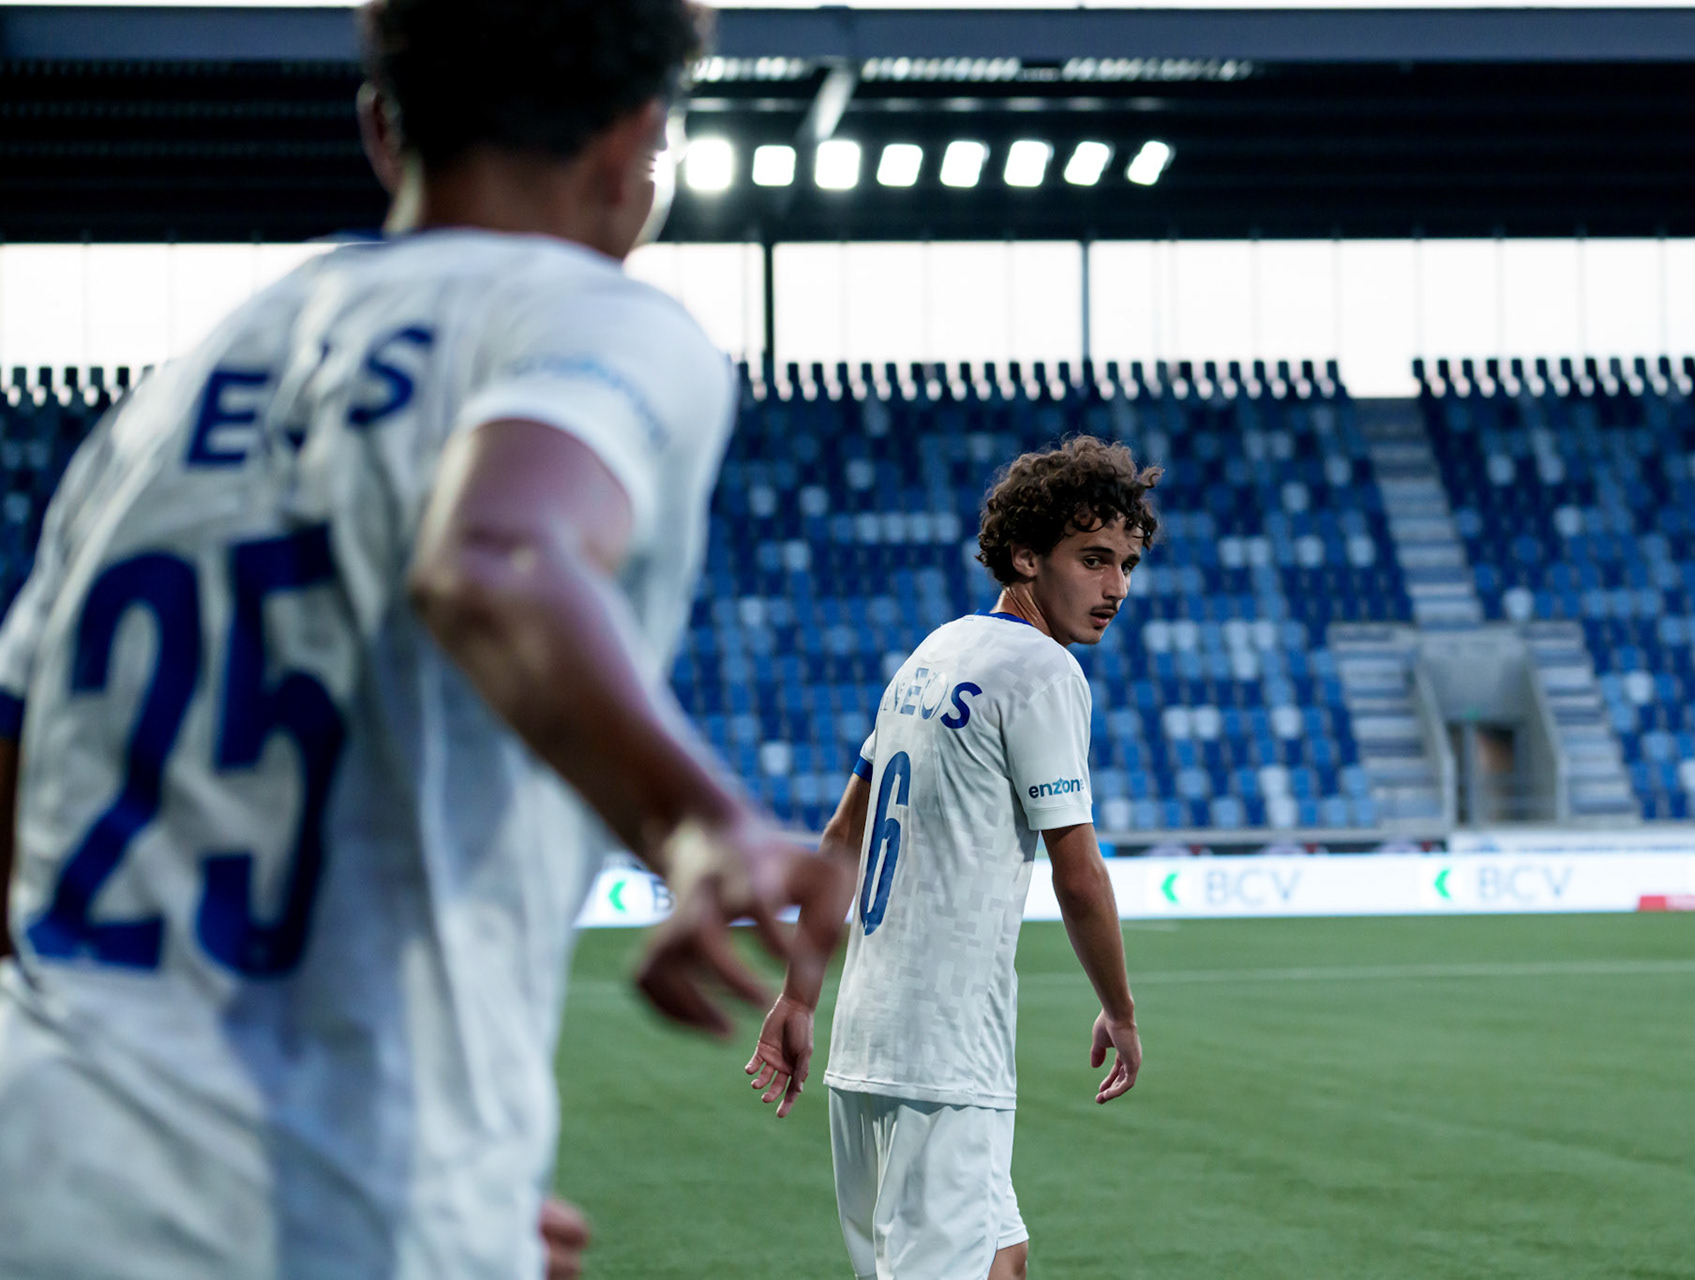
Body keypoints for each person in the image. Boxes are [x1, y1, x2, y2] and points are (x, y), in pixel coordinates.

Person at [0, 2, 844, 1277]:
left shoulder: (166, 399)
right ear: (635, 145)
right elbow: (494, 558)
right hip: (316, 1209)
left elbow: (16, 809)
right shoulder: (596, 319)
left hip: (43, 1171)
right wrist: (696, 820)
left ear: (381, 127)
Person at [745, 438, 1155, 1280]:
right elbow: (1078, 873)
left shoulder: (930, 656)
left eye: (1126, 563)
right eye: (1093, 560)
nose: (1116, 587)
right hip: (944, 1056)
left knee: (1003, 1258)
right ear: (1024, 556)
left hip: (868, 1041)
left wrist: (798, 994)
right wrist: (1121, 1009)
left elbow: (840, 842)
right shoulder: (1042, 670)